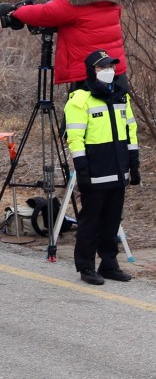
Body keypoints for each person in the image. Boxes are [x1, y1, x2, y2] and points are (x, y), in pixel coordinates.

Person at [65, 50, 140, 286]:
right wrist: (82, 169)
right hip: (95, 173)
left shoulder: (121, 96)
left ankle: (109, 263)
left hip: (119, 170)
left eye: (110, 66)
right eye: (102, 67)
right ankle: (86, 266)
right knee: (91, 221)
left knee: (112, 220)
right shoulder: (79, 100)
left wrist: (134, 163)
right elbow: (75, 139)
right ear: (91, 71)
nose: (108, 71)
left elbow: (131, 131)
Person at [2, 0, 127, 88]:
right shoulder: (110, 0)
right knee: (115, 107)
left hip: (87, 72)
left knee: (81, 107)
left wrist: (16, 11)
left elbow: (43, 13)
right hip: (114, 67)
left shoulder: (74, 1)